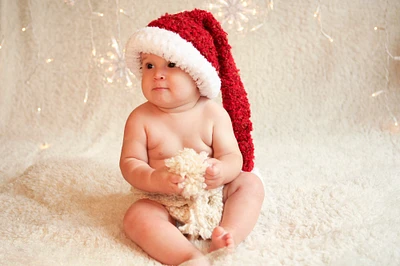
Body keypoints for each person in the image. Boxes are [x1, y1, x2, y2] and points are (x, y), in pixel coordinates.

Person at [120, 9, 265, 265]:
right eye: (149, 65)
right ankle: (187, 256)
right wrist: (156, 178)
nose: (158, 74)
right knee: (136, 216)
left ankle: (228, 232)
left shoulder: (213, 113)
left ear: (197, 73)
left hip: (212, 193)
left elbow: (233, 156)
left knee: (250, 184)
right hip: (161, 198)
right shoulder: (140, 118)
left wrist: (221, 170)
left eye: (171, 65)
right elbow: (130, 163)